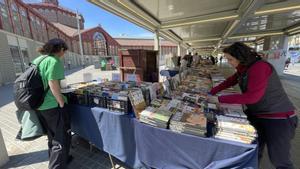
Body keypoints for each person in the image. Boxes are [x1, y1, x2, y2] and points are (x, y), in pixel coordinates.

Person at [208, 42, 298, 169]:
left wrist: (219, 99)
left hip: (279, 118)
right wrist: (212, 91)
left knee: (280, 160)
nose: (228, 62)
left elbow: (252, 97)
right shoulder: (244, 68)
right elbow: (230, 81)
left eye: (230, 59)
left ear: (240, 57)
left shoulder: (259, 67)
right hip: (259, 115)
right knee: (254, 150)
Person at [33, 38, 72, 169]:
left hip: (40, 104)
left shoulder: (39, 60)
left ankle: (62, 159)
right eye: (64, 51)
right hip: (52, 105)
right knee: (60, 138)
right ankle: (56, 166)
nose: (64, 53)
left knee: (52, 136)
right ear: (60, 49)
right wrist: (61, 102)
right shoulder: (54, 61)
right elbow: (52, 83)